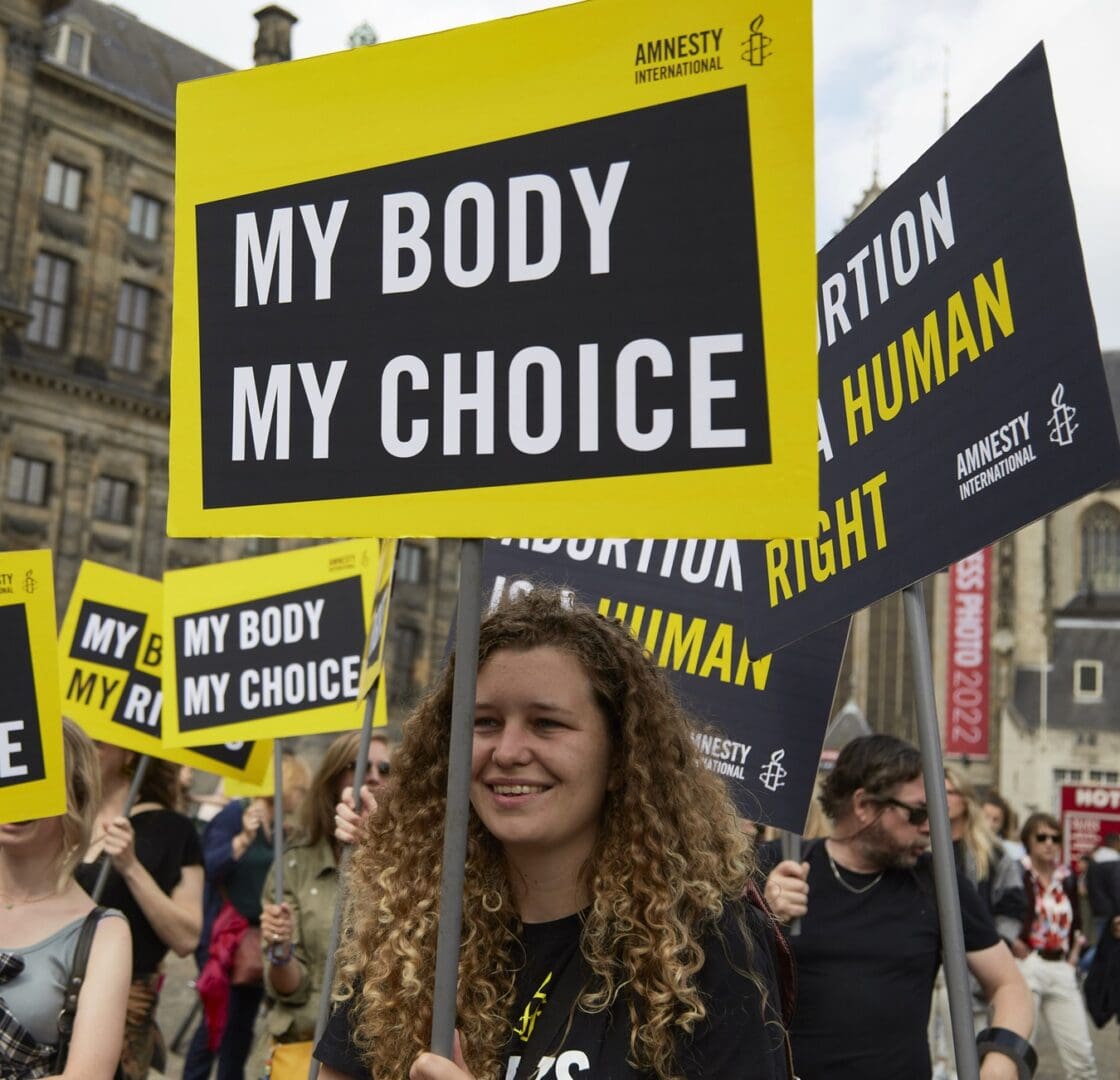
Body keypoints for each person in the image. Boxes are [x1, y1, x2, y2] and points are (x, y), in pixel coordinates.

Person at [316, 588, 792, 1080]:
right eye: (484, 722)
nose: (508, 751)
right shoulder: (413, 934)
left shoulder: (704, 945)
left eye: (546, 723)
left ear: (620, 756)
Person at [764, 734, 1033, 1080]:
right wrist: (761, 916)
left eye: (936, 813)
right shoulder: (779, 867)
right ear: (864, 806)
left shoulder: (939, 884)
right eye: (918, 812)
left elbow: (1009, 986)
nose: (929, 828)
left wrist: (1000, 1061)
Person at [246, 732, 390, 1078]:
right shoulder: (294, 866)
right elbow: (289, 989)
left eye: (385, 768)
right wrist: (280, 951)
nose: (373, 776)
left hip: (377, 1057)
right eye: (358, 766)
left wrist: (377, 854)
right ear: (331, 780)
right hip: (302, 1052)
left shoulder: (412, 867)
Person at [0, 719, 131, 1078]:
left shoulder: (104, 933)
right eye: (10, 776)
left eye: (37, 782)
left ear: (76, 797)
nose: (17, 795)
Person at [76, 748, 204, 1080]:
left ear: (129, 754)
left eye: (98, 743)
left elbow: (187, 936)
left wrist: (131, 867)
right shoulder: (57, 819)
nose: (82, 749)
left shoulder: (172, 829)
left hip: (120, 1019)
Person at [183, 752, 310, 1080]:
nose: (303, 797)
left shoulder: (280, 829)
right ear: (286, 786)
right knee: (215, 1020)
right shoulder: (234, 815)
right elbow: (210, 867)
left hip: (255, 940)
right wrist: (242, 840)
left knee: (240, 1027)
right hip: (226, 937)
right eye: (301, 789)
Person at [929, 768, 1027, 1078]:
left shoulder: (993, 853)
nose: (941, 799)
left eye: (950, 792)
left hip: (972, 971)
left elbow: (1012, 908)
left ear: (965, 799)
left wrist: (995, 951)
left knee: (965, 1058)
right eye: (936, 791)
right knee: (931, 1059)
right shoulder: (919, 848)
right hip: (926, 968)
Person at [1014, 812, 1098, 1079]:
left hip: (1062, 967)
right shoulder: (1017, 872)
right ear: (1028, 840)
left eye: (1055, 837)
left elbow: (1077, 920)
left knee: (1082, 1057)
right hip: (1028, 964)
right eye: (1041, 837)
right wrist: (1012, 942)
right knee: (1019, 1052)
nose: (1049, 843)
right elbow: (998, 911)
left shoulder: (1066, 877)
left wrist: (1074, 954)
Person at [981, 791, 1025, 860]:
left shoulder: (1013, 851)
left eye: (996, 820)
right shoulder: (965, 845)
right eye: (986, 817)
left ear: (1002, 824)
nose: (990, 824)